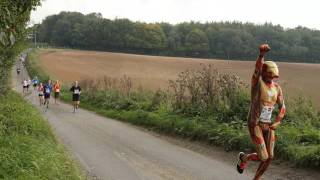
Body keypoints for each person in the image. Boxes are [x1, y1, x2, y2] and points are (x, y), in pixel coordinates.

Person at [236, 44, 286, 180]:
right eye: (269, 72)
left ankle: (256, 178)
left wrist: (277, 122)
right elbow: (256, 70)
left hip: (269, 125)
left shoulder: (277, 88)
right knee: (263, 156)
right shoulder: (257, 84)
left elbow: (282, 107)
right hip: (255, 123)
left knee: (270, 157)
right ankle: (244, 158)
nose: (271, 75)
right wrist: (261, 55)